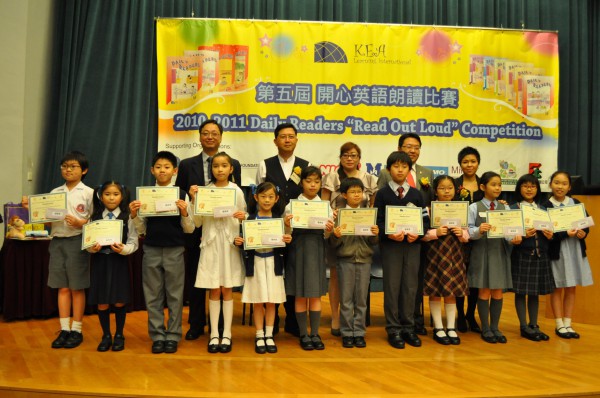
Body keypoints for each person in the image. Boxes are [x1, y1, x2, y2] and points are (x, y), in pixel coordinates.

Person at [175, 119, 242, 341]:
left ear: (221, 137)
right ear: (200, 136)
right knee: (199, 279)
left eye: (214, 133)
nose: (210, 136)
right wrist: (193, 200)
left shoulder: (236, 167)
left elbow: (237, 204)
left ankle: (223, 329)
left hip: (226, 235)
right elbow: (182, 195)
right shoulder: (186, 164)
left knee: (223, 284)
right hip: (198, 233)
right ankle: (197, 324)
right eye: (205, 133)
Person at [130, 151, 195, 354]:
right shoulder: (145, 194)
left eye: (167, 167)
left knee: (175, 295)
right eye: (158, 167)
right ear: (152, 170)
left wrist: (184, 212)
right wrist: (134, 215)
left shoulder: (182, 194)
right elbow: (141, 229)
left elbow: (190, 228)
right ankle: (157, 335)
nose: (162, 170)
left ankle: (173, 335)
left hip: (175, 248)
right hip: (151, 248)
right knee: (152, 295)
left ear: (174, 171)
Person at [256, 122, 310, 336]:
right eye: (283, 136)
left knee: (293, 271)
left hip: (297, 230)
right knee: (274, 270)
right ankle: (273, 320)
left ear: (296, 140)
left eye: (291, 136)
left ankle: (294, 321)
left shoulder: (305, 165)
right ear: (275, 141)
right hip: (271, 227)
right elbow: (259, 195)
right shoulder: (265, 164)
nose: (287, 140)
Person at [377, 133, 433, 335]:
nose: (400, 170)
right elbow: (378, 220)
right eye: (396, 166)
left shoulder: (417, 194)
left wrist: (416, 235)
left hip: (412, 246)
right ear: (389, 169)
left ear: (409, 170)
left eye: (404, 167)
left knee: (410, 287)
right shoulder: (383, 193)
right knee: (392, 287)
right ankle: (393, 328)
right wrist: (389, 234)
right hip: (391, 246)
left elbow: (425, 220)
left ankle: (408, 327)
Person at [190, 152, 246, 354]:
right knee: (213, 289)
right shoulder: (205, 191)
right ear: (211, 169)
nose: (220, 169)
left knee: (227, 289)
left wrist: (243, 217)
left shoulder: (237, 191)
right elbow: (197, 223)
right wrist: (194, 200)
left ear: (231, 169)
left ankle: (227, 334)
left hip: (229, 244)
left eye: (224, 166)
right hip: (211, 245)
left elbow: (243, 218)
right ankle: (214, 333)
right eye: (216, 166)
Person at [322, 142, 377, 336]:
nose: (349, 158)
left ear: (359, 159)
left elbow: (371, 207)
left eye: (353, 155)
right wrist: (333, 218)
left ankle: (357, 324)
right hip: (338, 232)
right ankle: (336, 317)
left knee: (358, 283)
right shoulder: (331, 177)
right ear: (340, 157)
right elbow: (323, 204)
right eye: (345, 155)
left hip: (361, 238)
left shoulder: (369, 178)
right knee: (336, 275)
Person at [237, 182, 291, 354]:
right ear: (255, 197)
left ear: (276, 199)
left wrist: (287, 238)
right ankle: (259, 334)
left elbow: (284, 242)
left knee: (272, 302)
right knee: (258, 301)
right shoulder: (249, 219)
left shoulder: (279, 220)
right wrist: (240, 242)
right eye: (263, 196)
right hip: (256, 264)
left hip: (274, 265)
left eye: (270, 197)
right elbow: (244, 241)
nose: (266, 200)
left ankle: (269, 334)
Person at [284, 166, 334, 350]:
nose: (312, 185)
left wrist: (329, 231)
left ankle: (315, 333)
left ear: (321, 183)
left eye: (316, 181)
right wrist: (286, 225)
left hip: (317, 247)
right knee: (300, 293)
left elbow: (327, 236)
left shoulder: (325, 206)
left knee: (314, 294)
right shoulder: (292, 205)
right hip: (298, 247)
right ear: (302, 183)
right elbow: (286, 233)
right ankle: (303, 334)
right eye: (308, 181)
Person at [47, 151, 94, 349]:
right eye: (64, 166)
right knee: (62, 287)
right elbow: (48, 220)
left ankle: (77, 329)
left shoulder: (89, 193)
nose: (67, 169)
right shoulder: (54, 192)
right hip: (57, 241)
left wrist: (80, 222)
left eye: (73, 166)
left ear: (84, 170)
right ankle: (64, 328)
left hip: (78, 241)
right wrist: (33, 210)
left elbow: (95, 221)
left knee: (77, 287)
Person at [468, 171, 521, 344]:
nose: (497, 188)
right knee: (484, 290)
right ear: (483, 187)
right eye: (493, 184)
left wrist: (514, 238)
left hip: (499, 252)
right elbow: (468, 231)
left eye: (499, 184)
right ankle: (485, 328)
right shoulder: (474, 207)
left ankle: (495, 327)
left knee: (498, 291)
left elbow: (508, 231)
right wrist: (478, 230)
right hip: (481, 252)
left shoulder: (504, 208)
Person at [87, 181, 139, 352]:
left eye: (115, 194)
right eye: (107, 194)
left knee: (118, 300)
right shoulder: (94, 217)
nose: (111, 197)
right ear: (100, 196)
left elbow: (133, 242)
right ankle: (106, 335)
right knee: (102, 301)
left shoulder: (127, 217)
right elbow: (87, 242)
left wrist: (124, 249)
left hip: (119, 262)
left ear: (122, 196)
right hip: (100, 262)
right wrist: (91, 248)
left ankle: (119, 335)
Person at [328, 177, 379, 348]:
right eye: (353, 192)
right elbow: (333, 245)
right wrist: (335, 236)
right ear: (344, 194)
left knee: (361, 299)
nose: (357, 195)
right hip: (345, 260)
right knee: (346, 298)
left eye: (360, 191)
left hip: (364, 259)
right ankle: (347, 332)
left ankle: (359, 332)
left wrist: (375, 233)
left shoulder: (369, 213)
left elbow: (373, 242)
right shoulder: (339, 215)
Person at [542, 171, 593, 339]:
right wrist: (566, 234)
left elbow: (585, 224)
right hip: (557, 251)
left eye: (564, 184)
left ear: (569, 187)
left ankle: (568, 323)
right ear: (550, 184)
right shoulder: (545, 206)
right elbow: (547, 234)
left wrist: (583, 233)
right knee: (558, 286)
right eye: (557, 182)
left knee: (571, 287)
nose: (560, 186)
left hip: (574, 250)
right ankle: (559, 324)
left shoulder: (576, 203)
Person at [421, 175, 469, 345]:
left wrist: (461, 233)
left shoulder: (461, 210)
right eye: (442, 188)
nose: (446, 191)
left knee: (451, 293)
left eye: (449, 188)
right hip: (434, 255)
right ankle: (438, 328)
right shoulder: (428, 210)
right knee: (435, 292)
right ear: (435, 191)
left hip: (454, 256)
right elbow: (421, 234)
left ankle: (451, 327)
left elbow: (467, 236)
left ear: (455, 191)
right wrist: (435, 233)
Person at [510, 174, 555, 342]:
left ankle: (534, 324)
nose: (529, 189)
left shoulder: (543, 210)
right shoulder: (513, 208)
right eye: (525, 186)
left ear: (537, 189)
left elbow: (552, 235)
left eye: (533, 186)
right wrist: (521, 233)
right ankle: (524, 326)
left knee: (535, 293)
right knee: (521, 292)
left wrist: (550, 235)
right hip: (522, 254)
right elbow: (508, 233)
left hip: (540, 255)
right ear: (519, 188)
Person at [455, 146, 483, 333]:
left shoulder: (484, 183)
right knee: (460, 277)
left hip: (480, 238)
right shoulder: (454, 184)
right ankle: (459, 315)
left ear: (478, 163)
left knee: (474, 278)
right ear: (460, 164)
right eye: (465, 162)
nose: (469, 165)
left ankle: (471, 314)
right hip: (459, 238)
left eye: (472, 161)